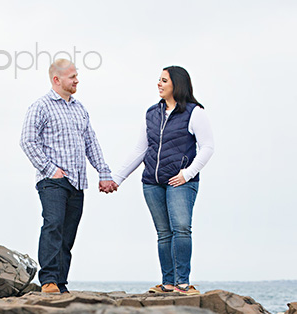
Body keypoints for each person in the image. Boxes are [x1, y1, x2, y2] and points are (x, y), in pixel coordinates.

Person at [113, 65, 214, 295]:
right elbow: (141, 149)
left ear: (176, 84)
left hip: (181, 181)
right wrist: (117, 178)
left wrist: (187, 173)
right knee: (163, 233)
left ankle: (183, 284)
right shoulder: (152, 113)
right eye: (159, 80)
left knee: (181, 229)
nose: (159, 84)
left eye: (164, 80)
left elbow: (208, 147)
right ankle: (168, 283)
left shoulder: (194, 112)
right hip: (152, 181)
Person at [20, 59, 117, 294]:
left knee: (67, 233)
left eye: (76, 75)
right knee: (53, 225)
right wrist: (49, 169)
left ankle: (61, 283)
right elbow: (27, 140)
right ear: (57, 79)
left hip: (78, 181)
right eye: (72, 76)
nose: (77, 80)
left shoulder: (79, 108)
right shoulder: (40, 106)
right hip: (52, 181)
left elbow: (90, 143)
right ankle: (49, 281)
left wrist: (104, 173)